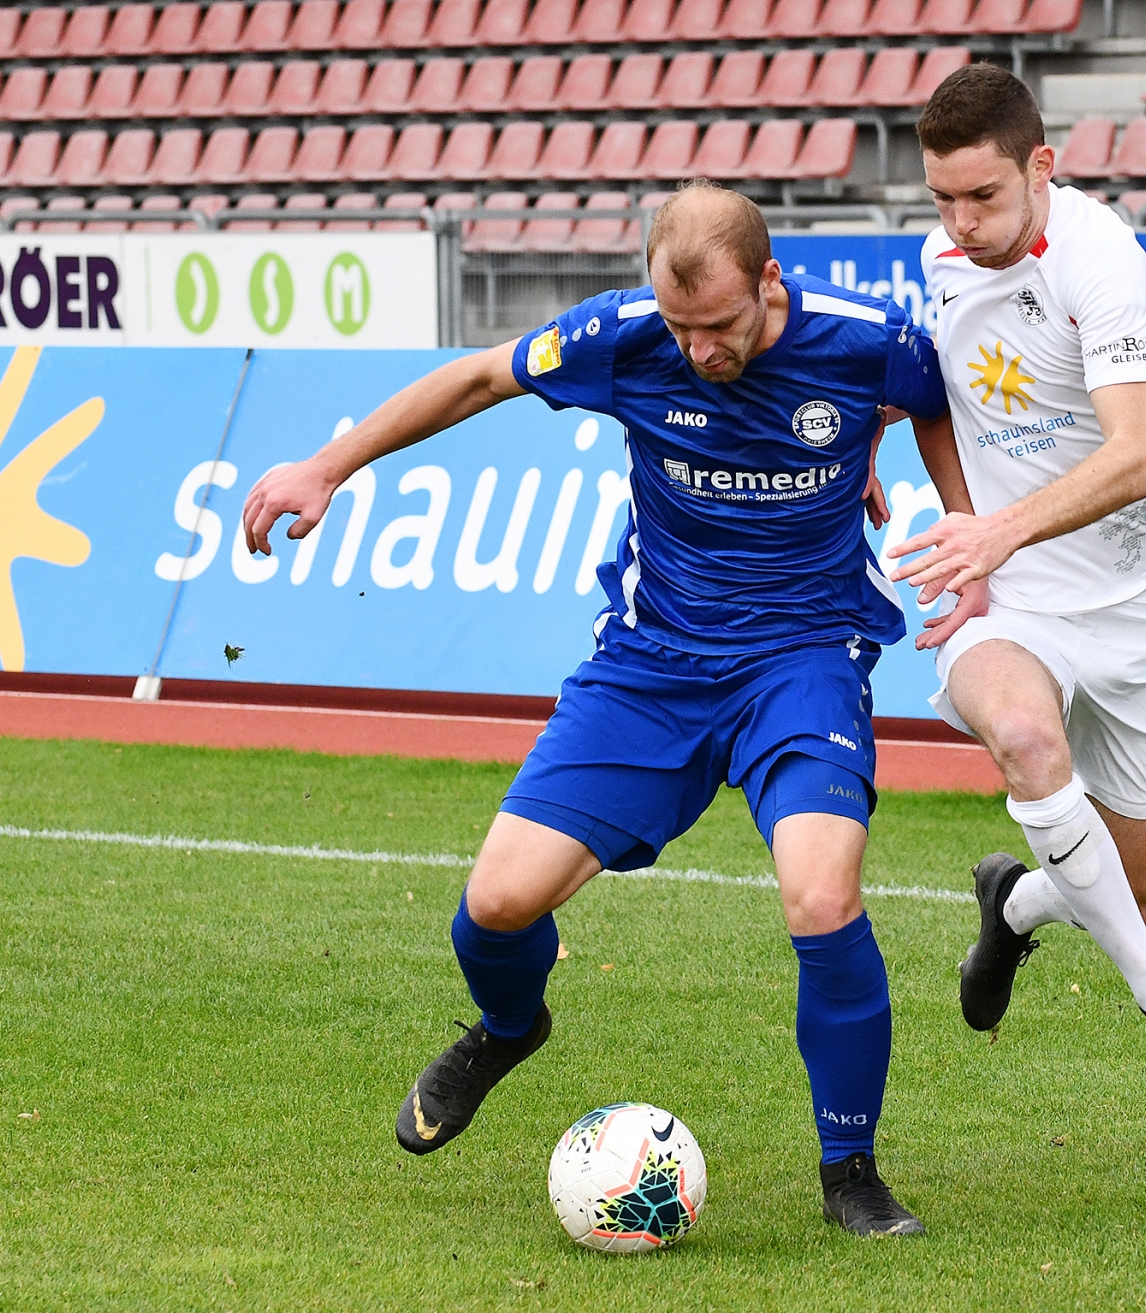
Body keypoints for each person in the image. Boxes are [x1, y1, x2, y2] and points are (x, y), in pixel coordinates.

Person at [241, 181, 948, 1236]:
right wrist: (328, 465)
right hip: (652, 664)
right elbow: (479, 376)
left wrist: (932, 497)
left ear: (770, 281)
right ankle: (507, 1027)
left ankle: (850, 1168)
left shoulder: (865, 337)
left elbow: (932, 395)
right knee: (495, 905)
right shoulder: (623, 338)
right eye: (680, 326)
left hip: (802, 659)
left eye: (719, 326)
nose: (698, 350)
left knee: (820, 893)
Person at [885, 65, 1146, 1091]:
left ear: (1042, 166)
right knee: (1027, 739)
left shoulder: (1104, 262)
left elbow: (1135, 454)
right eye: (942, 198)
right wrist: (968, 529)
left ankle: (1012, 906)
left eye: (983, 195)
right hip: (1014, 600)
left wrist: (995, 531)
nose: (961, 223)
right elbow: (934, 396)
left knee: (1124, 887)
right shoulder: (944, 258)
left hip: (1134, 602)